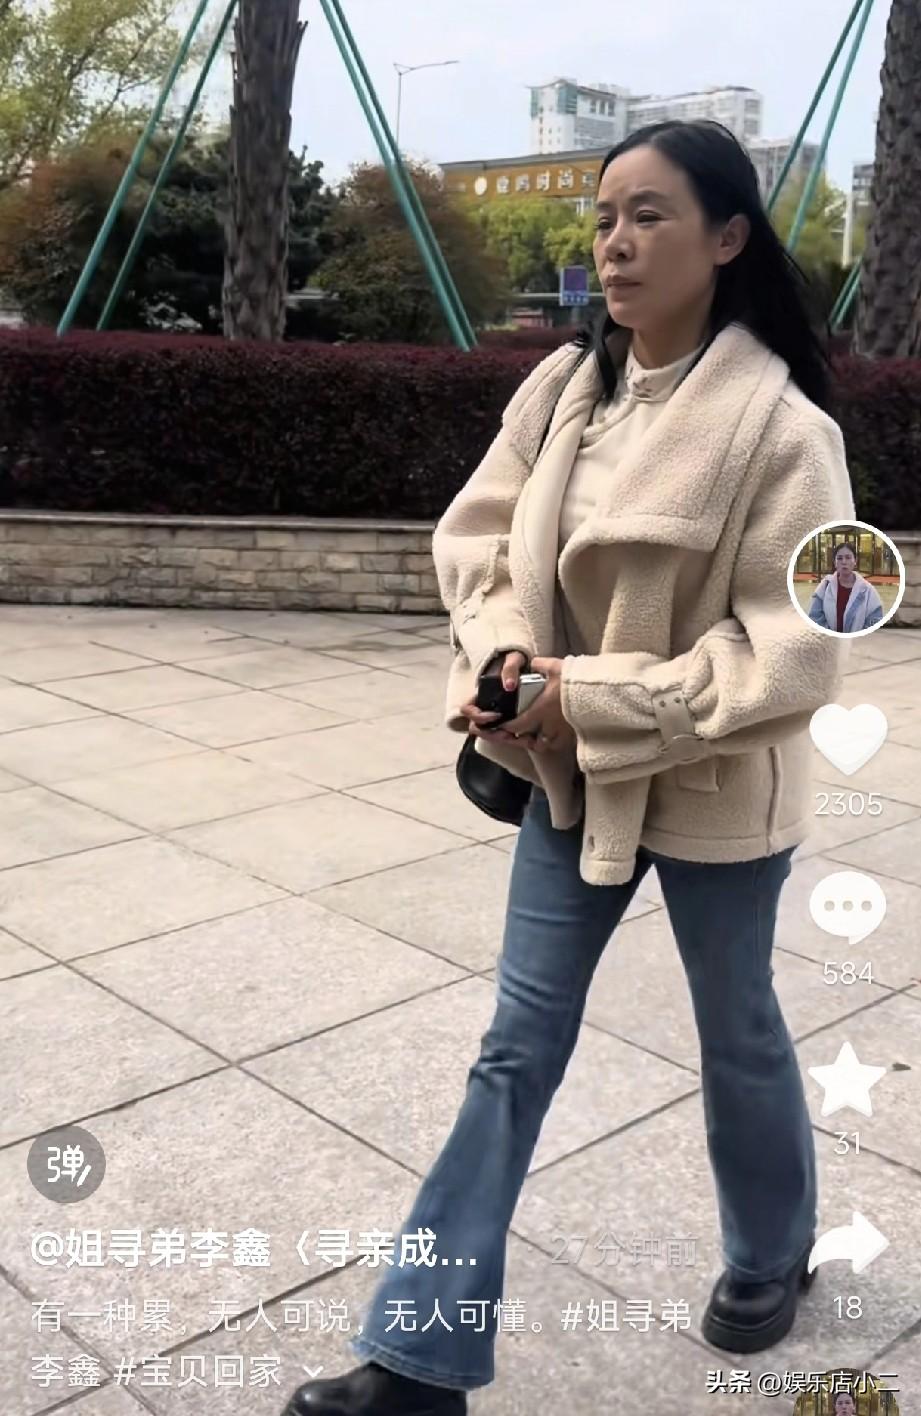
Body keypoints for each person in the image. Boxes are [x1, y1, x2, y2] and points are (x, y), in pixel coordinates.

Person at [281, 119, 855, 1416]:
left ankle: (773, 1252)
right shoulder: (562, 389)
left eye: (649, 216)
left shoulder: (786, 429)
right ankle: (418, 1359)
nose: (615, 243)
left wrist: (582, 696)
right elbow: (476, 541)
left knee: (738, 1034)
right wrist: (503, 660)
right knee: (514, 1048)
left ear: (727, 237)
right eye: (603, 218)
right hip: (567, 781)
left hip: (715, 790)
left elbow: (797, 651)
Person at [808, 541, 884, 632]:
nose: (844, 562)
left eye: (848, 557)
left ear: (855, 561)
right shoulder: (825, 586)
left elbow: (875, 619)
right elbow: (815, 616)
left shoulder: (867, 590)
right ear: (835, 562)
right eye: (839, 558)